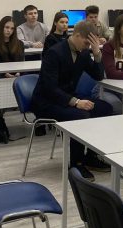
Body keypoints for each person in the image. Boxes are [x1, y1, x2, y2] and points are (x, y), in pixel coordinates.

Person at [31, 21, 113, 181]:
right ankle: (76, 163)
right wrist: (75, 102)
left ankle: (91, 156)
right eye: (87, 43)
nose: (88, 46)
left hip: (68, 97)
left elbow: (98, 75)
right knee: (81, 116)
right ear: (77, 35)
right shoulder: (54, 52)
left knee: (105, 109)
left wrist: (97, 53)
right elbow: (49, 88)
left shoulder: (84, 52)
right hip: (46, 102)